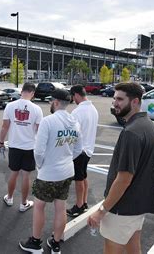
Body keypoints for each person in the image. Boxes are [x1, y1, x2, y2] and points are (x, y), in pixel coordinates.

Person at [87, 82, 154, 253]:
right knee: (133, 246)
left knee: (112, 249)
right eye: (114, 99)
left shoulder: (131, 132)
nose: (115, 103)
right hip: (137, 205)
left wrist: (102, 210)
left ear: (135, 102)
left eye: (120, 99)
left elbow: (124, 179)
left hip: (122, 208)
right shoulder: (148, 125)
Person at [19, 89, 82, 254]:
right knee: (60, 207)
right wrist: (66, 159)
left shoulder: (48, 121)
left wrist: (41, 165)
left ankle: (35, 242)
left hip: (49, 172)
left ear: (55, 102)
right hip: (67, 171)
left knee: (39, 206)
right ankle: (55, 244)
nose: (49, 104)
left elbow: (38, 151)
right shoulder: (75, 122)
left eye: (50, 102)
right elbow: (78, 149)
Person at [0, 82, 43, 212]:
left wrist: (1, 142)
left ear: (22, 91)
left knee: (14, 173)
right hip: (30, 146)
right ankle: (23, 203)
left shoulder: (10, 106)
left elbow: (5, 126)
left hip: (14, 145)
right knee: (26, 176)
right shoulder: (37, 109)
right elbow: (39, 130)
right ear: (33, 93)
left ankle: (10, 198)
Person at [67, 84, 99, 217]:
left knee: (79, 179)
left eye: (73, 97)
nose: (73, 100)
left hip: (79, 150)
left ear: (76, 95)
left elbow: (72, 133)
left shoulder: (77, 112)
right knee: (83, 176)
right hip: (89, 148)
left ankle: (79, 205)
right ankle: (84, 202)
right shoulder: (93, 109)